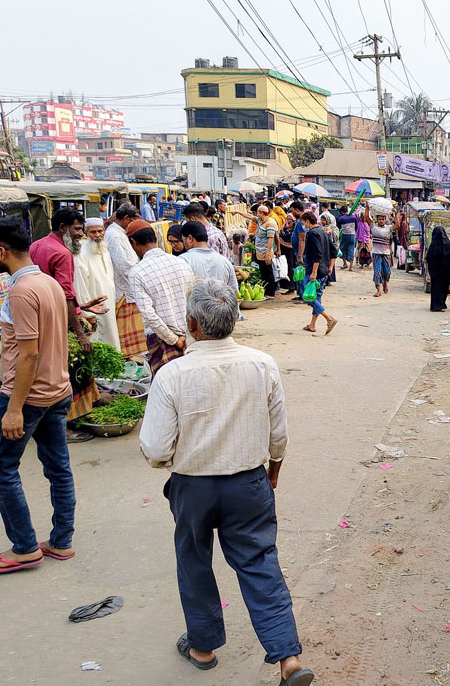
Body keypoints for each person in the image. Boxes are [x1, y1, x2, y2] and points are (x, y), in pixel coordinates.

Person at [138, 279, 314, 686]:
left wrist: (173, 461)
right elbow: (279, 435)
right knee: (259, 562)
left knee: (193, 559)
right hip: (248, 483)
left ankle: (202, 646)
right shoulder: (261, 363)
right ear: (233, 319)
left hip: (192, 486)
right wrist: (272, 472)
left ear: (192, 325)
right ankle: (288, 658)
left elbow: (155, 449)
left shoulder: (171, 374)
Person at [0, 218, 76, 573]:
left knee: (1, 468)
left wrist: (14, 409)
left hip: (29, 394)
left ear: (1, 252)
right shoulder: (46, 282)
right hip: (57, 389)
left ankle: (24, 547)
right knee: (58, 468)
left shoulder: (20, 291)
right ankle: (61, 541)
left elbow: (29, 354)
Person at [29, 208, 108, 359]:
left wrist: (82, 307)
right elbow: (66, 295)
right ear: (62, 228)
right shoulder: (62, 253)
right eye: (77, 229)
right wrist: (81, 335)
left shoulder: (36, 245)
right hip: (55, 318)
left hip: (38, 314)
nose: (81, 234)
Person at [127, 221, 195, 377]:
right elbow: (192, 301)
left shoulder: (137, 272)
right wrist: (184, 336)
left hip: (162, 339)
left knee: (165, 388)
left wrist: (174, 340)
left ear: (134, 243)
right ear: (156, 239)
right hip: (188, 336)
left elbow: (150, 315)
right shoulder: (180, 262)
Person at [105, 204, 146, 357]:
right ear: (127, 219)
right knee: (124, 331)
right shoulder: (115, 235)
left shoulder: (121, 233)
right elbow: (123, 264)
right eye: (135, 220)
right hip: (124, 289)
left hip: (128, 286)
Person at [73, 218, 120, 351]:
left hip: (108, 304)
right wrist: (88, 315)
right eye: (93, 232)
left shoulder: (105, 250)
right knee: (97, 342)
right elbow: (80, 285)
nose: (98, 235)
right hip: (93, 308)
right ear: (86, 233)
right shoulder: (81, 254)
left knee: (110, 341)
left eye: (100, 231)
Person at [299, 211, 338, 335]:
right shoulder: (323, 232)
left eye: (303, 223)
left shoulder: (312, 234)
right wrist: (330, 266)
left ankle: (329, 318)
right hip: (324, 270)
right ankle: (312, 324)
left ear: (307, 222)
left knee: (308, 297)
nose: (303, 225)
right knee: (317, 297)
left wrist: (314, 272)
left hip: (314, 270)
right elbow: (334, 251)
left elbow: (317, 254)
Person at [180, 220, 239, 295]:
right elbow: (234, 294)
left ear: (189, 238)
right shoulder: (225, 261)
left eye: (183, 240)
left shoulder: (183, 260)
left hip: (195, 306)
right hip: (220, 306)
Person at [425, 225, 450, 312]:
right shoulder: (448, 246)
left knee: (436, 287)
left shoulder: (433, 246)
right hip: (446, 272)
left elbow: (428, 258)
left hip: (436, 273)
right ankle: (441, 304)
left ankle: (436, 305)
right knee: (444, 287)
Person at [253, 206, 279, 300]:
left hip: (266, 253)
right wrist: (237, 212)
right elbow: (249, 216)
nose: (256, 214)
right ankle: (266, 292)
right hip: (260, 252)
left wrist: (267, 254)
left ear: (261, 212)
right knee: (263, 273)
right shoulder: (260, 221)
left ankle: (271, 293)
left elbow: (271, 240)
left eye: (257, 212)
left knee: (269, 273)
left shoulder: (270, 224)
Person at [370, 211, 393, 297]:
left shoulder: (389, 228)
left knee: (387, 272)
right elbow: (367, 219)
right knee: (377, 271)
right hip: (376, 252)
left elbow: (397, 226)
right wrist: (367, 208)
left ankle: (385, 282)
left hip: (386, 253)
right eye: (379, 219)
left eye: (383, 219)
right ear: (377, 220)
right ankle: (378, 290)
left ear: (385, 220)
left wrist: (395, 214)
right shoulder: (373, 227)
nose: (381, 221)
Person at [289, 201, 308, 297]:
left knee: (302, 275)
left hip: (303, 253)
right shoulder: (300, 221)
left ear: (297, 210)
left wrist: (300, 256)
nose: (292, 213)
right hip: (300, 252)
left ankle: (303, 295)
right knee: (300, 274)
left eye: (292, 211)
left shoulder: (302, 222)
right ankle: (301, 294)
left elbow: (302, 240)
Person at [336, 204, 358, 271]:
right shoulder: (353, 217)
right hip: (352, 235)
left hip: (345, 235)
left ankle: (345, 263)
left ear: (342, 212)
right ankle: (351, 267)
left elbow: (339, 227)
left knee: (342, 249)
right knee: (351, 250)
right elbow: (356, 226)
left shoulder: (340, 218)